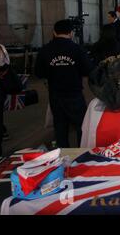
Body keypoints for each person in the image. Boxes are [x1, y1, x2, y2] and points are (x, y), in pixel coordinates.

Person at [35, 19, 94, 148]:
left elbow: (38, 72)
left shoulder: (45, 50)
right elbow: (88, 70)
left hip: (55, 94)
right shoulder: (77, 49)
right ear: (71, 33)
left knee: (60, 127)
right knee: (81, 125)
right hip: (74, 93)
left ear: (54, 32)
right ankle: (80, 154)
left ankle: (62, 154)